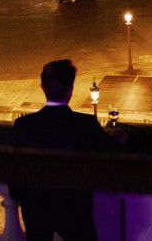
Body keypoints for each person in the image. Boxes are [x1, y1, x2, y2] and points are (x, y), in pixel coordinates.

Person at [11, 59, 118, 241]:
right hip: (75, 210)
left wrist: (25, 199)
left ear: (43, 88)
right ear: (70, 90)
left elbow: (14, 174)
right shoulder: (86, 125)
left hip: (36, 211)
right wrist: (120, 138)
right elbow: (109, 153)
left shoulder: (24, 125)